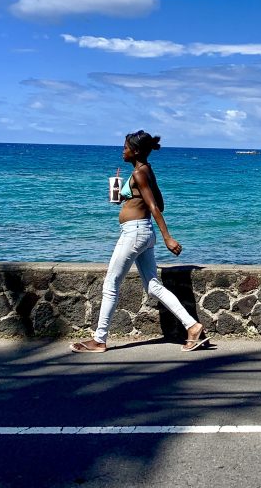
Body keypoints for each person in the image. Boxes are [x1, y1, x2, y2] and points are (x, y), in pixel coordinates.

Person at [71, 130, 207, 353]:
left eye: (125, 147)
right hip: (143, 232)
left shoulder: (139, 174)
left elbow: (155, 208)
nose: (122, 150)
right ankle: (192, 327)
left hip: (134, 233)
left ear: (134, 151)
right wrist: (129, 197)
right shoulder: (145, 171)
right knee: (153, 286)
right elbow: (157, 202)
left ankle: (99, 340)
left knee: (110, 284)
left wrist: (168, 238)